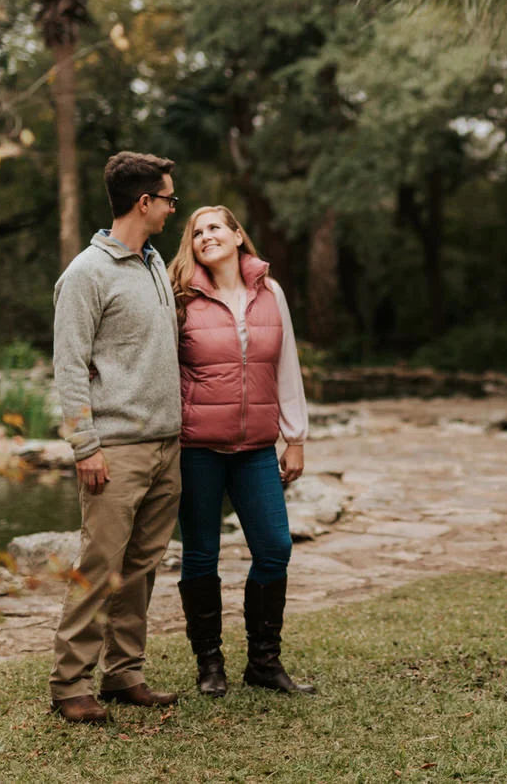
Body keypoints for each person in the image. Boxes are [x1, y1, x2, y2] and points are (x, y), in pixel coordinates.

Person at [48, 152, 183, 724]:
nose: (174, 207)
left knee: (141, 568)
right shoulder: (86, 273)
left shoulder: (153, 263)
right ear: (143, 202)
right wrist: (86, 445)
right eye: (169, 198)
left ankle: (124, 673)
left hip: (165, 443)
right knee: (100, 564)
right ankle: (69, 684)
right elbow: (70, 365)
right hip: (116, 448)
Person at [168, 205, 315, 697]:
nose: (205, 236)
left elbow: (286, 365)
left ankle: (263, 662)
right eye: (196, 232)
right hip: (197, 449)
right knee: (201, 554)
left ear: (236, 235)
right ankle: (209, 664)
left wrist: (295, 437)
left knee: (275, 547)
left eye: (215, 227)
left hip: (255, 448)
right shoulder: (181, 298)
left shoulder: (270, 292)